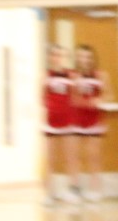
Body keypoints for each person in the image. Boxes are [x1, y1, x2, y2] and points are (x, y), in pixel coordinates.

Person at [70, 43, 109, 202]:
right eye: (81, 56)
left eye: (87, 57)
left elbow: (108, 95)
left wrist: (99, 100)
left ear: (92, 59)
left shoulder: (100, 75)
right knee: (75, 156)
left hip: (94, 120)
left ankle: (95, 189)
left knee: (94, 156)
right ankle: (75, 188)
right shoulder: (72, 75)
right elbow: (70, 97)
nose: (84, 60)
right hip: (76, 119)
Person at [43, 43, 80, 204]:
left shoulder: (71, 75)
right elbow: (41, 98)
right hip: (51, 120)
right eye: (54, 55)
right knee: (51, 159)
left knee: (70, 157)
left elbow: (76, 96)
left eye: (60, 55)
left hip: (68, 120)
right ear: (49, 57)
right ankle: (49, 192)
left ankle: (72, 189)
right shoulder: (45, 75)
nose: (57, 58)